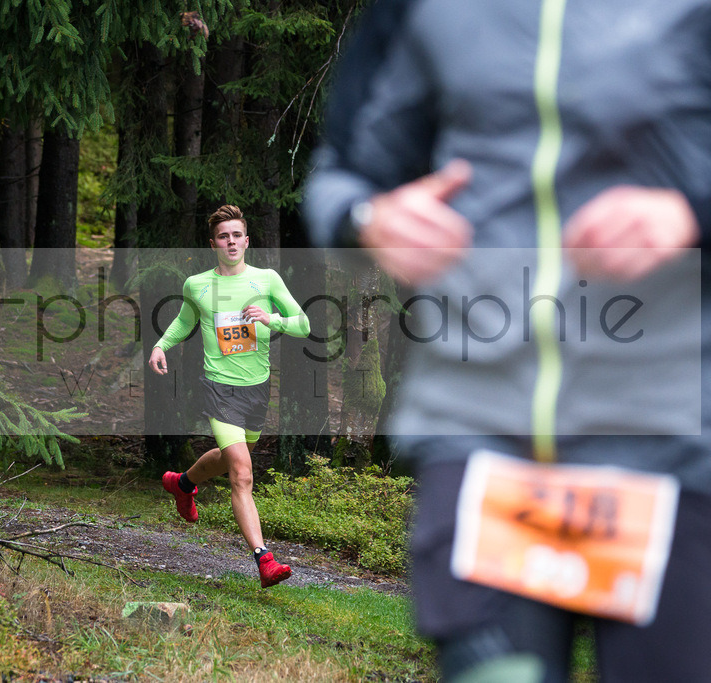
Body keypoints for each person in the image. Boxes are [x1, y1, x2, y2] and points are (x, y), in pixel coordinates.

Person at [304, 1, 711, 681]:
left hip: (669, 439)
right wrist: (367, 218)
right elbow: (343, 173)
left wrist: (688, 213)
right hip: (480, 432)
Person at [148, 204, 311, 588]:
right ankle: (264, 559)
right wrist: (160, 345)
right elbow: (185, 320)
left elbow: (303, 324)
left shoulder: (267, 280)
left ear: (247, 240)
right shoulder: (197, 284)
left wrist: (274, 320)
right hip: (219, 387)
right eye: (223, 236)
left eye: (236, 235)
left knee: (228, 457)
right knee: (241, 472)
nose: (231, 241)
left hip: (257, 388)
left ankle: (183, 484)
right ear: (213, 243)